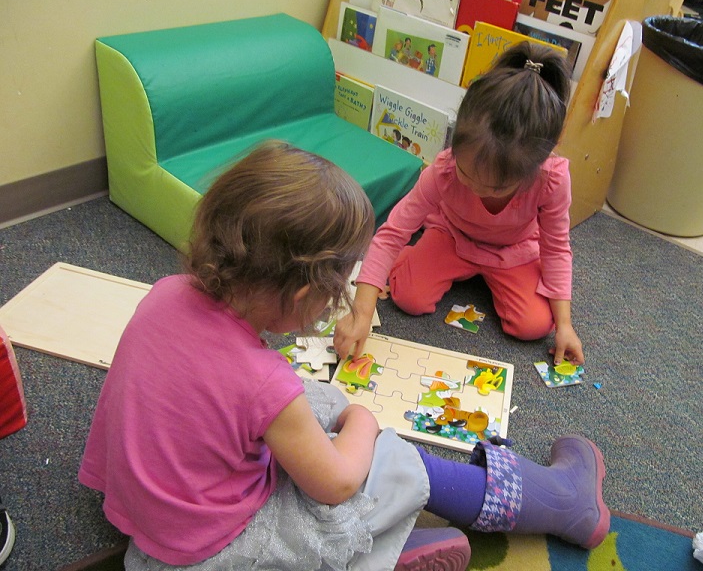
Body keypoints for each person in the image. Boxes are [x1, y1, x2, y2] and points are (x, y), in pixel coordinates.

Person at [79, 141, 608, 571]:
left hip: (150, 529)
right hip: (216, 554)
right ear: (307, 295)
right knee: (384, 457)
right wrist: (362, 421)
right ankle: (562, 503)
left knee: (311, 396)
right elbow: (336, 485)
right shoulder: (263, 385)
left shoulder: (166, 291)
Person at [335, 41, 586, 369]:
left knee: (535, 326)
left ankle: (470, 273)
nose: (476, 187)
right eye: (467, 174)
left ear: (535, 167)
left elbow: (556, 249)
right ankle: (409, 261)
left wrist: (564, 326)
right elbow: (392, 234)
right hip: (451, 236)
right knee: (408, 297)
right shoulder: (444, 169)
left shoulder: (551, 179)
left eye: (496, 187)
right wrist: (362, 311)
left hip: (515, 250)